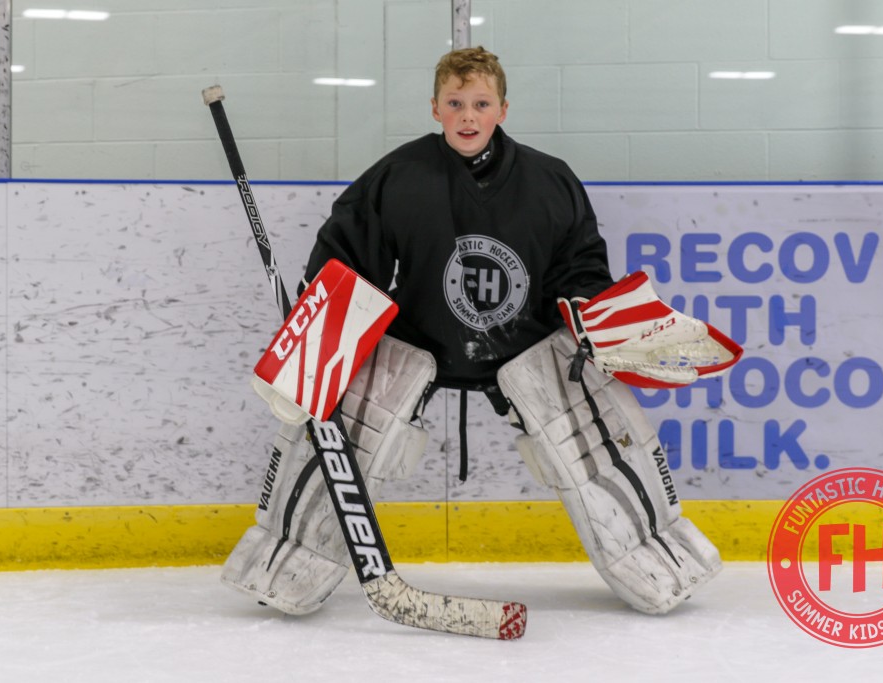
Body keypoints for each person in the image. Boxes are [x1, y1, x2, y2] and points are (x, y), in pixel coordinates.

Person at [221, 46, 737, 617]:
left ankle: (663, 560)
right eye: (456, 103)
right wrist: (317, 334)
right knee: (335, 433)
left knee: (601, 445)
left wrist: (595, 319)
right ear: (436, 109)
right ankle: (279, 561)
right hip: (417, 338)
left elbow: (580, 268)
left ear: (503, 109)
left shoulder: (550, 181)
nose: (468, 115)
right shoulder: (398, 177)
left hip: (529, 345)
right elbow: (346, 257)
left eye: (481, 103)